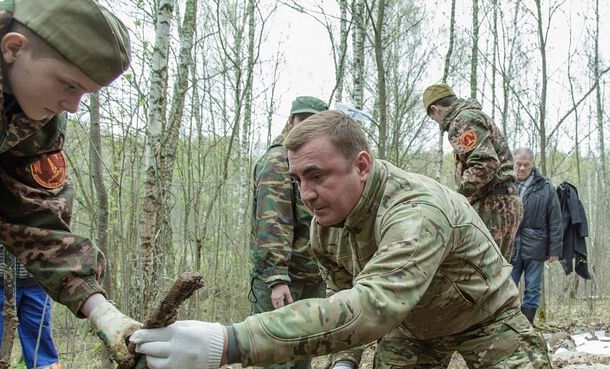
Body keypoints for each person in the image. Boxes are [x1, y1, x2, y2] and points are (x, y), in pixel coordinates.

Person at [130, 111, 551, 369]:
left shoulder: (417, 211)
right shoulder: (325, 226)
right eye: (298, 180)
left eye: (317, 175)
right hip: (410, 331)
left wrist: (230, 342)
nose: (306, 194)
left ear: (362, 165)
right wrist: (344, 360)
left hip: (484, 317)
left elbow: (370, 307)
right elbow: (342, 295)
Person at [0, 0, 139, 362]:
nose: (73, 106)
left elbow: (33, 216)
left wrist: (102, 311)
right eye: (69, 85)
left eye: (84, 94)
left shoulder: (32, 116)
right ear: (13, 47)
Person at [249, 96, 328, 369]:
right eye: (301, 120)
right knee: (275, 355)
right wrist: (277, 278)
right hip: (283, 280)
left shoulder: (317, 161)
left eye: (314, 122)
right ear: (291, 121)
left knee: (303, 351)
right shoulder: (277, 161)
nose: (306, 126)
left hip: (311, 276)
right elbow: (272, 224)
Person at [423, 83, 522, 261]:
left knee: (484, 273)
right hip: (502, 200)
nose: (436, 123)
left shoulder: (462, 121)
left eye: (432, 118)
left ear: (435, 109)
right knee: (496, 273)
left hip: (493, 206)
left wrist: (456, 198)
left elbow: (486, 163)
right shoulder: (470, 116)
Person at [0, 191, 61, 369]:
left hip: (34, 281)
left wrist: (7, 227)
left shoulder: (38, 188)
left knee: (41, 346)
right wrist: (28, 229)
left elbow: (51, 231)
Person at [511, 148, 563, 324]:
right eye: (519, 164)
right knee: (507, 286)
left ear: (532, 164)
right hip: (511, 246)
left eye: (526, 164)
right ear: (513, 163)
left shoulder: (545, 186)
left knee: (532, 289)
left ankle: (527, 327)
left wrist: (555, 249)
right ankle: (509, 326)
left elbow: (555, 220)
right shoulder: (505, 185)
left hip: (536, 245)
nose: (522, 168)